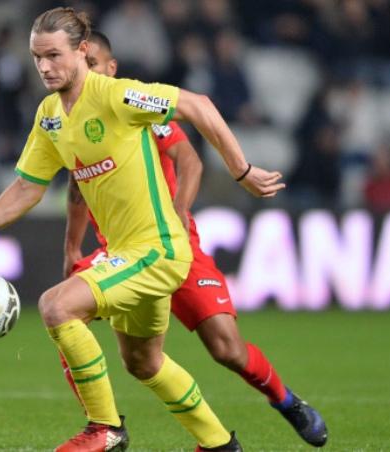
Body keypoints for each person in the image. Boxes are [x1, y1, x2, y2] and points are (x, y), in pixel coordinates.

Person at [0, 7, 284, 451]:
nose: (44, 67)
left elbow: (199, 106)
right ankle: (220, 445)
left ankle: (104, 428)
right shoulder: (50, 115)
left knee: (56, 306)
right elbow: (26, 188)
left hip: (158, 250)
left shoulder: (118, 96)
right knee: (144, 362)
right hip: (127, 254)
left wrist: (241, 169)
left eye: (54, 55)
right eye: (37, 57)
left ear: (81, 51)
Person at [58, 31, 328, 449]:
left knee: (226, 349)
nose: (85, 72)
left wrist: (181, 208)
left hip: (171, 242)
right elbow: (78, 183)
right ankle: (103, 425)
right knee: (64, 312)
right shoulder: (72, 119)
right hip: (118, 253)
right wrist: (73, 247)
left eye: (93, 64)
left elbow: (190, 159)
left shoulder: (137, 106)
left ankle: (285, 400)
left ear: (111, 68)